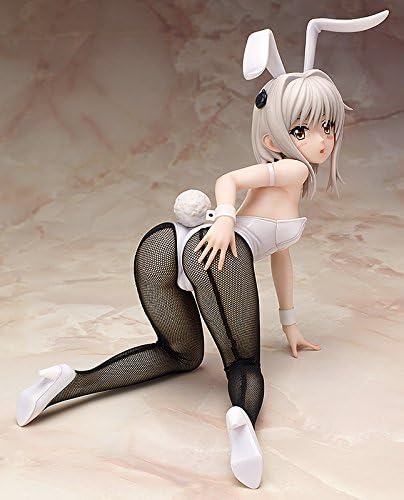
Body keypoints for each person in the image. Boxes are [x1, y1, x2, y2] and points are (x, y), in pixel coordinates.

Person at [15, 10, 389, 489]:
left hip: (166, 243)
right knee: (243, 365)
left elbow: (281, 257)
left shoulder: (288, 179)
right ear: (273, 138)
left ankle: (69, 381)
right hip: (218, 252)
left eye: (327, 126)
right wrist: (228, 218)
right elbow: (228, 180)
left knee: (179, 354)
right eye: (303, 130)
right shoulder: (294, 171)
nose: (321, 140)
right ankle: (242, 423)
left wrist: (290, 323)